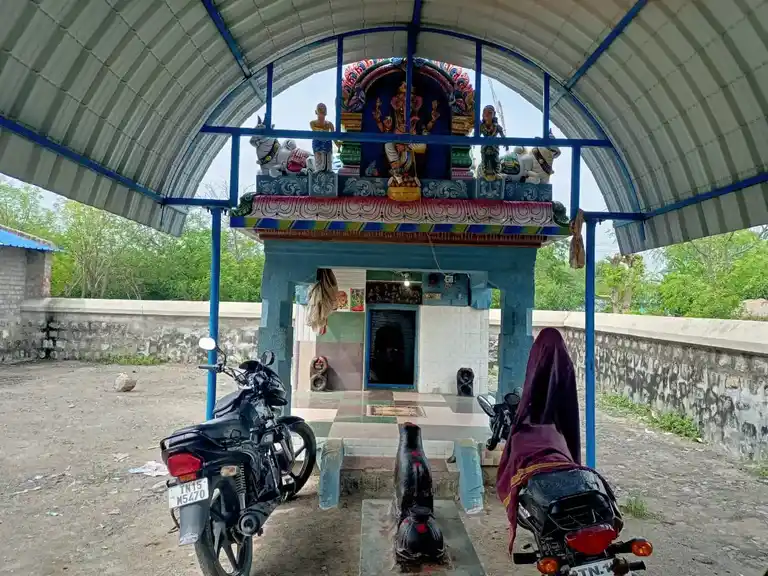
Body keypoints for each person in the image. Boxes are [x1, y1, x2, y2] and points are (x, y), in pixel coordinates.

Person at [495, 328, 584, 552]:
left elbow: (529, 397)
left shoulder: (539, 360)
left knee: (515, 456)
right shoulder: (565, 364)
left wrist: (523, 422)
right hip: (558, 430)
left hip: (536, 429)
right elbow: (567, 404)